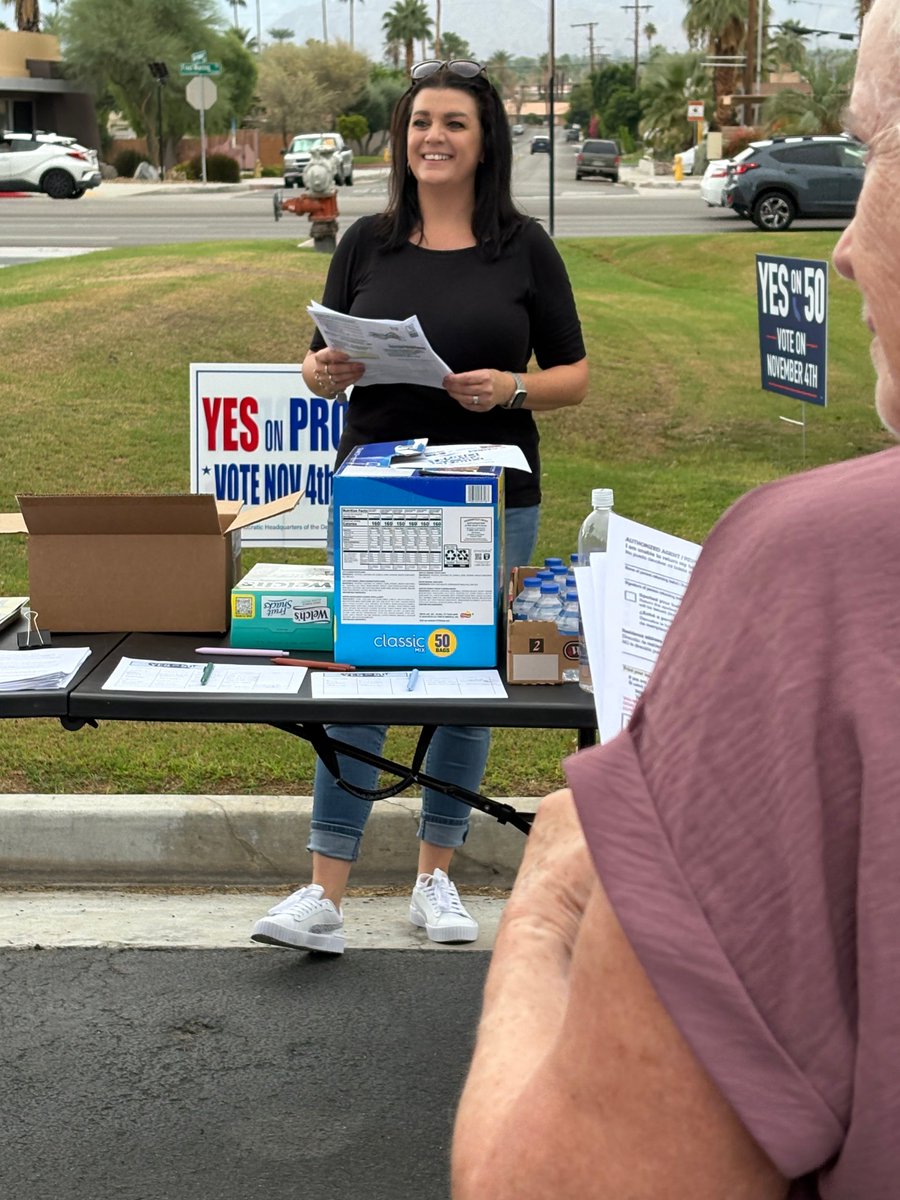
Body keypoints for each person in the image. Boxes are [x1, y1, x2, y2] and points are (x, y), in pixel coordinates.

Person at [451, 4, 900, 1196]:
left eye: (874, 153)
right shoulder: (367, 242)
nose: (844, 251)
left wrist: (549, 896)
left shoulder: (819, 572)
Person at [251, 60, 588, 955]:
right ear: (403, 138)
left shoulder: (524, 247)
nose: (433, 137)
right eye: (421, 122)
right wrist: (319, 370)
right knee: (361, 677)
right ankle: (323, 892)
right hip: (376, 495)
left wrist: (512, 387)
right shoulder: (367, 241)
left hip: (492, 500)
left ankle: (435, 879)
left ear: (485, 142)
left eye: (454, 123)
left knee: (465, 690)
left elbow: (575, 375)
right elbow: (316, 362)